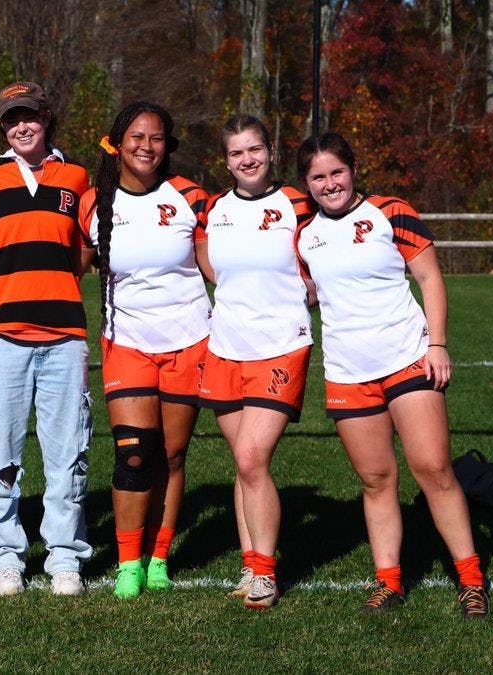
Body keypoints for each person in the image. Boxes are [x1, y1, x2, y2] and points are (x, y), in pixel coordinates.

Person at [294, 132, 489, 619]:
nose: (329, 183)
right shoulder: (304, 235)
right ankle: (388, 581)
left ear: (353, 169)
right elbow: (307, 293)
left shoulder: (391, 211)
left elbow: (430, 279)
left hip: (407, 359)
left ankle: (470, 579)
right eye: (318, 177)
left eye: (336, 172)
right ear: (307, 183)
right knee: (377, 479)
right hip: (346, 372)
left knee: (433, 469)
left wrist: (437, 344)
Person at [78, 102, 210, 599]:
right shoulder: (95, 202)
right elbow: (70, 263)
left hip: (189, 340)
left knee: (171, 456)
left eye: (156, 138)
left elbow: (217, 268)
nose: (145, 146)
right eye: (136, 136)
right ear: (118, 142)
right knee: (134, 455)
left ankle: (159, 558)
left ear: (167, 146)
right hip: (127, 343)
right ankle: (128, 562)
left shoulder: (191, 197)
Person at [0, 81, 92, 596]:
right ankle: (5, 558)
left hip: (64, 334)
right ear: (3, 127)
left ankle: (65, 556)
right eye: (12, 119)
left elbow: (85, 249)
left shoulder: (79, 177)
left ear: (46, 117)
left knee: (67, 453)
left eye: (30, 116)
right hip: (0, 334)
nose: (23, 126)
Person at [198, 115, 315, 610]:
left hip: (281, 344)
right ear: (225, 161)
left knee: (252, 458)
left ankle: (265, 572)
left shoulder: (297, 203)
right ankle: (251, 566)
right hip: (226, 347)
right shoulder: (213, 208)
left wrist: (310, 287)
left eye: (254, 150)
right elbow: (203, 256)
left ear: (271, 150)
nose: (246, 160)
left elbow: (323, 253)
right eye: (235, 153)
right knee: (242, 465)